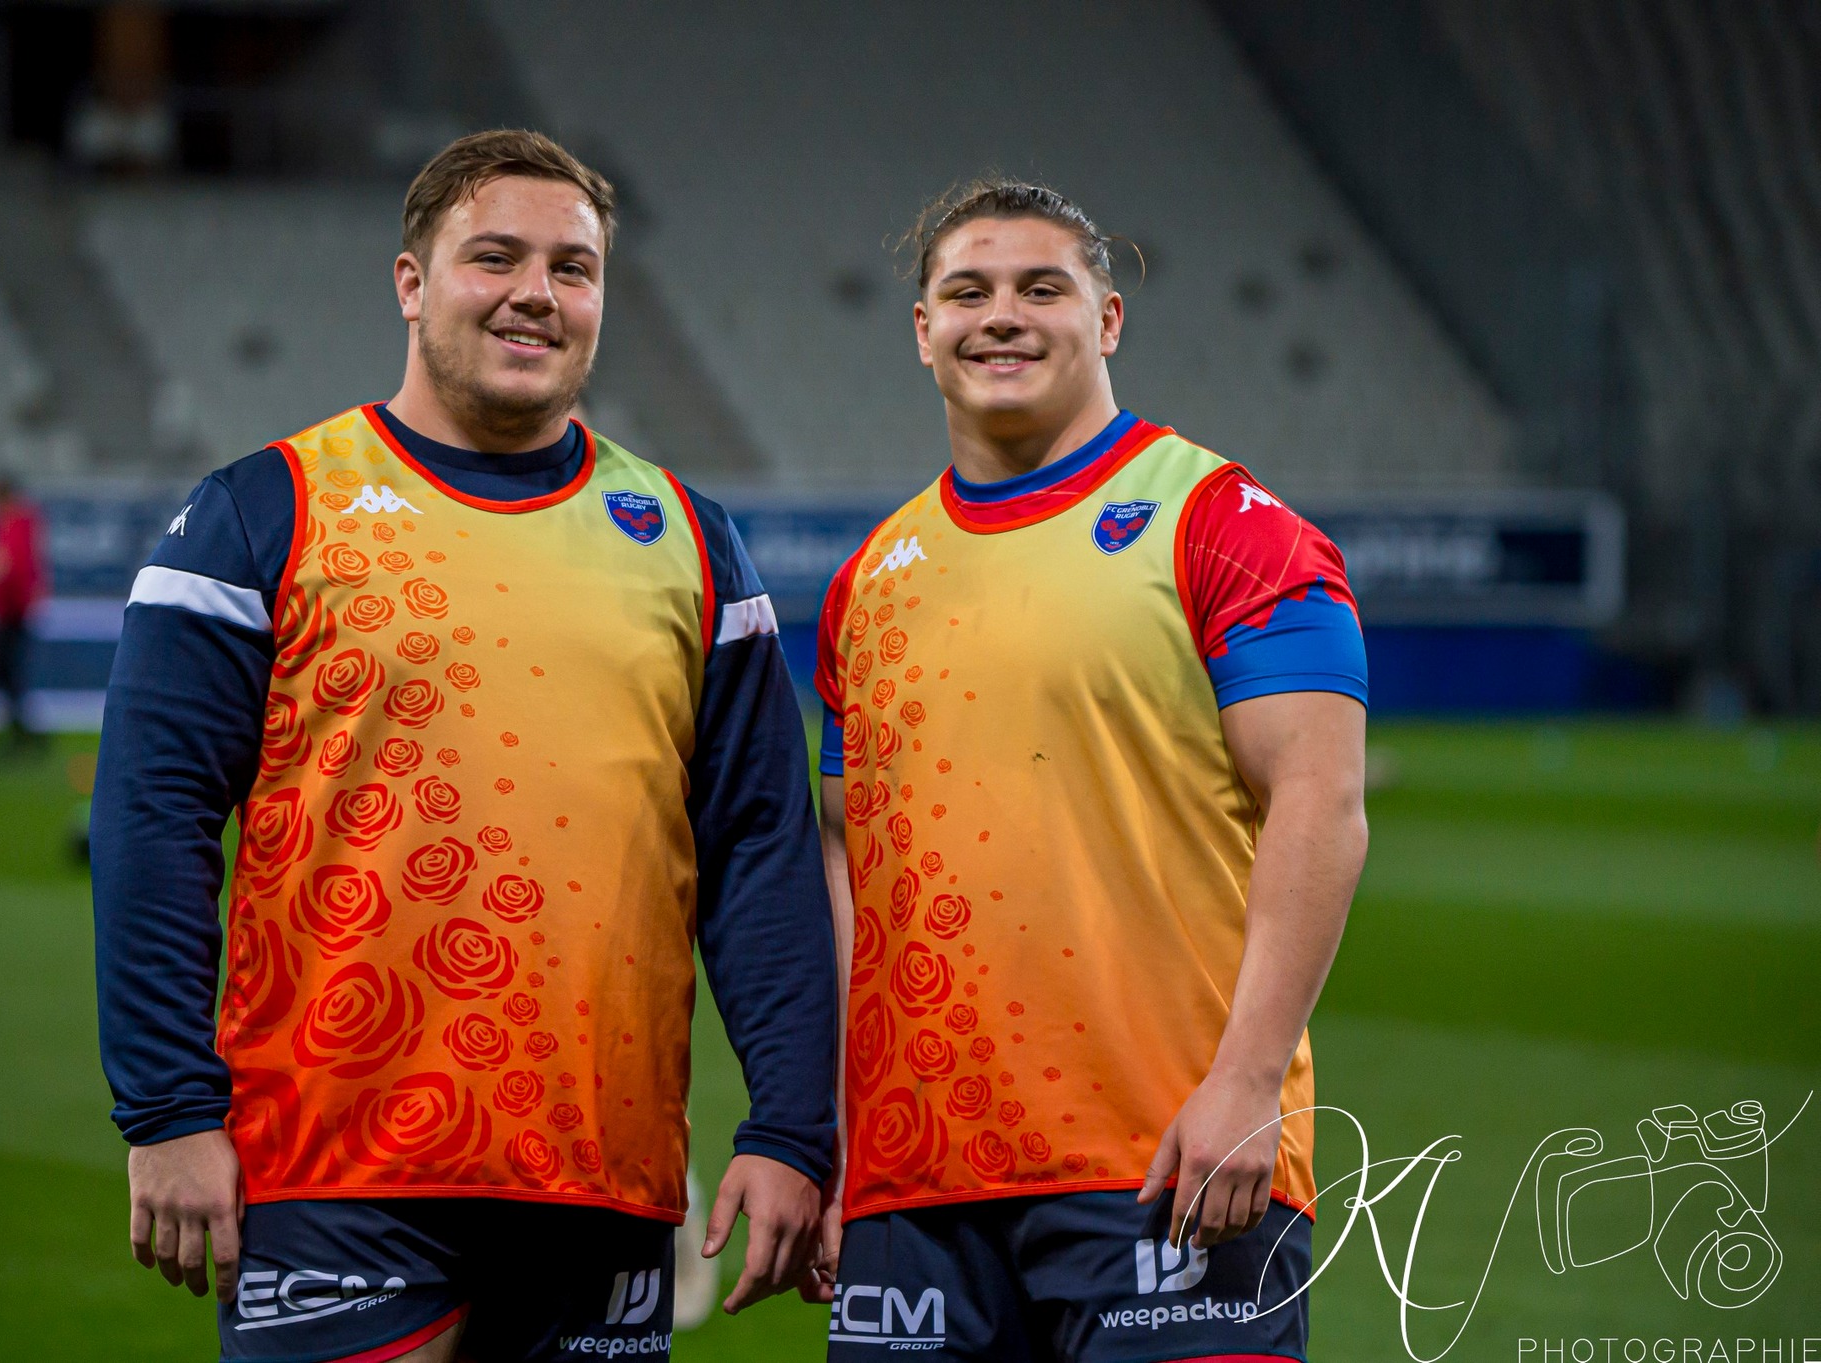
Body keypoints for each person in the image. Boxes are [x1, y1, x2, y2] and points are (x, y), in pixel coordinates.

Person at [91, 130, 837, 1363]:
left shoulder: (692, 544)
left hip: (598, 1177)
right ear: (410, 281)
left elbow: (760, 853)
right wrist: (167, 1108)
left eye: (573, 267)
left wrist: (792, 1127)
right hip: (328, 1163)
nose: (536, 292)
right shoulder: (260, 512)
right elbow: (153, 820)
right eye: (494, 256)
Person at [807, 180, 1369, 1363]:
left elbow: (1318, 804)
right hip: (916, 1188)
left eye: (1039, 288)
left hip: (1166, 1152)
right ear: (921, 331)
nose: (999, 315)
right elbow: (855, 868)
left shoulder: (1223, 522)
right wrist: (837, 1134)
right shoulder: (869, 581)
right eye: (966, 291)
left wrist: (1249, 1079)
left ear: (1106, 319)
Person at [0, 474, 47, 752]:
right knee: (8, 674)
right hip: (9, 609)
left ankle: (22, 735)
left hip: (12, 611)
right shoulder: (14, 522)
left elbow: (6, 565)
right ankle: (22, 732)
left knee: (8, 673)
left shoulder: (14, 522)